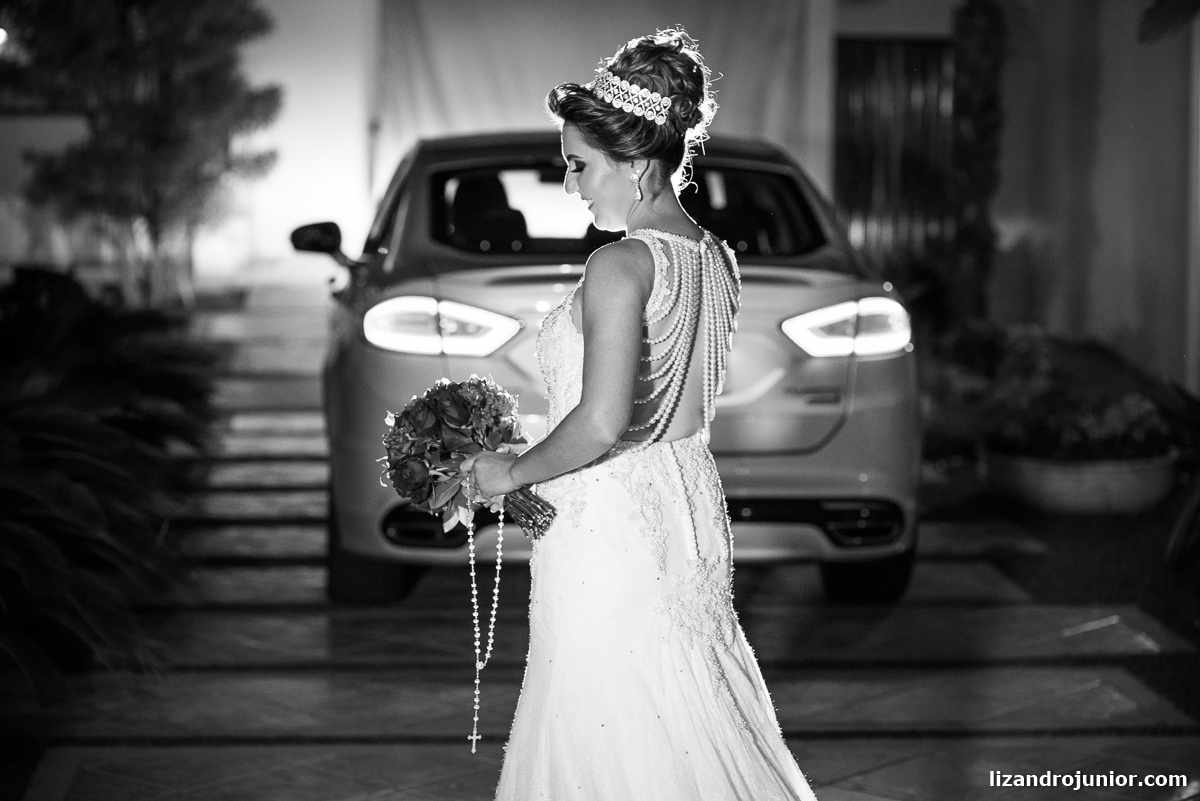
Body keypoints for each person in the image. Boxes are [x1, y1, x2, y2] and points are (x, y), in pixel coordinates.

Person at [461, 28, 820, 801]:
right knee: (684, 708)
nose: (571, 184)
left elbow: (598, 424)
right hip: (690, 513)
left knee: (606, 721)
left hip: (614, 528)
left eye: (579, 165)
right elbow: (668, 412)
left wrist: (505, 472)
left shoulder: (619, 265)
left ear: (640, 164)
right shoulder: (715, 258)